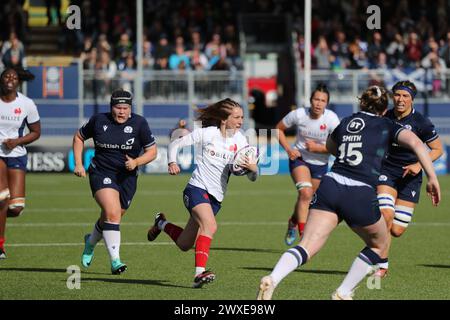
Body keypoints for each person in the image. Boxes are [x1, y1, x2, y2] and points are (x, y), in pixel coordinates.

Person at [257, 86, 440, 300]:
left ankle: (273, 277)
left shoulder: (345, 122)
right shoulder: (387, 124)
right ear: (383, 109)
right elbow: (418, 144)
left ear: (362, 103)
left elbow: (331, 146)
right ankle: (343, 292)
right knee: (379, 245)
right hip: (359, 191)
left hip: (331, 185)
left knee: (307, 245)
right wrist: (433, 178)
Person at [146, 98, 258, 288]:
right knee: (210, 226)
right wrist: (172, 162)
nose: (241, 121)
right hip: (196, 189)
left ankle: (161, 223)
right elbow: (175, 144)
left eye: (242, 117)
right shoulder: (208, 134)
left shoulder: (241, 140)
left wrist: (253, 169)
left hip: (215, 200)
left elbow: (252, 176)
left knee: (184, 244)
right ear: (224, 119)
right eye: (237, 117)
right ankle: (199, 274)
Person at [73, 89, 157, 274]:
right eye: (118, 107)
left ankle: (91, 241)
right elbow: (79, 137)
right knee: (112, 213)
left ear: (130, 108)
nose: (121, 112)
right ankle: (115, 261)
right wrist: (79, 164)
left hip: (127, 178)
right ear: (111, 107)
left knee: (113, 215)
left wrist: (136, 162)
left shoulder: (140, 123)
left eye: (125, 108)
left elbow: (152, 152)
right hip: (101, 171)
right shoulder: (99, 120)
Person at [375, 81, 443, 278]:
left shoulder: (421, 122)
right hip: (386, 172)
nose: (400, 99)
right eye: (397, 95)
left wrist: (418, 165)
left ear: (412, 99)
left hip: (411, 178)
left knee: (396, 230)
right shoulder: (384, 117)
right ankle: (381, 265)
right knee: (385, 215)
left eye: (405, 96)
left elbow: (437, 149)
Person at [276, 84, 340, 246]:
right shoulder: (299, 114)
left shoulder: (332, 120)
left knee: (308, 199)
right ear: (310, 100)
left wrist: (318, 148)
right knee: (305, 193)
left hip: (320, 164)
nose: (318, 103)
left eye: (322, 101)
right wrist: (289, 150)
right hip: (300, 160)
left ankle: (293, 221)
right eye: (316, 99)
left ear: (327, 103)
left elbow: (339, 147)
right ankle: (304, 237)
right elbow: (278, 129)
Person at [0, 66, 41, 259]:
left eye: (13, 77)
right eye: (6, 76)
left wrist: (17, 141)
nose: (9, 79)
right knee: (1, 198)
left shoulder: (27, 104)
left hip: (16, 153)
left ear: (19, 81)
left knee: (15, 208)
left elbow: (36, 132)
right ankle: (0, 245)